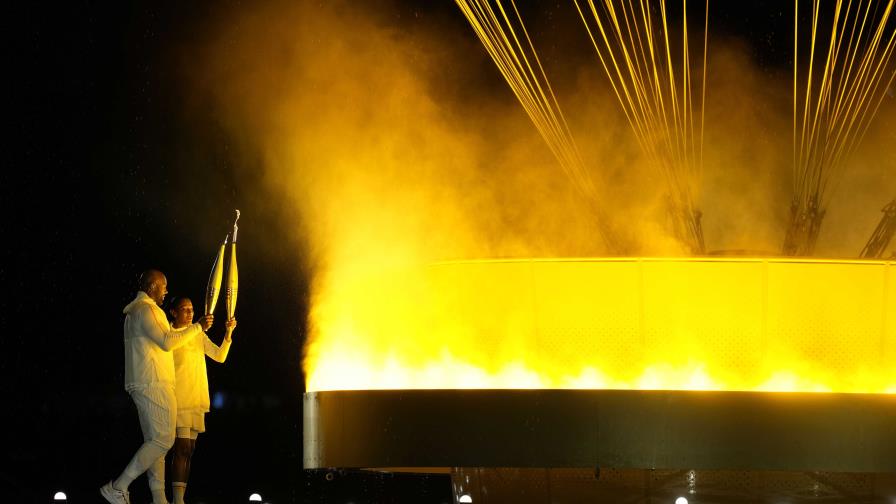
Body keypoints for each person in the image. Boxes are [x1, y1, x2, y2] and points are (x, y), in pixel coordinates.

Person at [101, 270, 213, 504]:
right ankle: (118, 486)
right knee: (163, 440)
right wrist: (197, 327)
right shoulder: (147, 310)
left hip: (142, 382)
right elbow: (166, 341)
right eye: (164, 287)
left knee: (155, 442)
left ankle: (159, 498)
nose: (166, 291)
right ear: (153, 286)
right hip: (153, 382)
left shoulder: (135, 312)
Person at [167, 296, 235, 504]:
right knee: (182, 448)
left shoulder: (198, 334)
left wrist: (228, 332)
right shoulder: (169, 335)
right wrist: (197, 327)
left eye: (191, 309)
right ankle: (176, 500)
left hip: (197, 396)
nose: (189, 313)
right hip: (179, 397)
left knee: (190, 450)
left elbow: (220, 355)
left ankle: (181, 497)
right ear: (174, 312)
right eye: (184, 309)